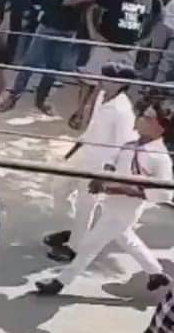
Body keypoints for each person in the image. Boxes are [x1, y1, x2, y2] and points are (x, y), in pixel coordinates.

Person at [35, 101, 174, 296]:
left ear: (161, 127)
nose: (141, 119)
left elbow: (162, 193)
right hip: (110, 205)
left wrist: (117, 188)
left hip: (125, 211)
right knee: (126, 239)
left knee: (90, 245)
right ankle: (156, 273)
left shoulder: (160, 158)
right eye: (143, 115)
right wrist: (104, 176)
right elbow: (113, 161)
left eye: (148, 118)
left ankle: (59, 282)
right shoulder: (131, 144)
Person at [0, 0, 102, 116]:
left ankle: (41, 100)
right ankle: (13, 96)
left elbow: (89, 4)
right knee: (30, 63)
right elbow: (59, 0)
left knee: (54, 68)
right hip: (49, 24)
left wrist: (88, 8)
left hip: (70, 28)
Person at [42, 63, 138, 262]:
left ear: (122, 83)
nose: (102, 80)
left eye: (108, 77)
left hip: (100, 163)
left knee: (86, 205)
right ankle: (73, 229)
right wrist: (74, 149)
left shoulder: (122, 111)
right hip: (84, 151)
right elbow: (92, 127)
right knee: (58, 187)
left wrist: (106, 176)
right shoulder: (102, 96)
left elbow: (123, 145)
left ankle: (76, 246)